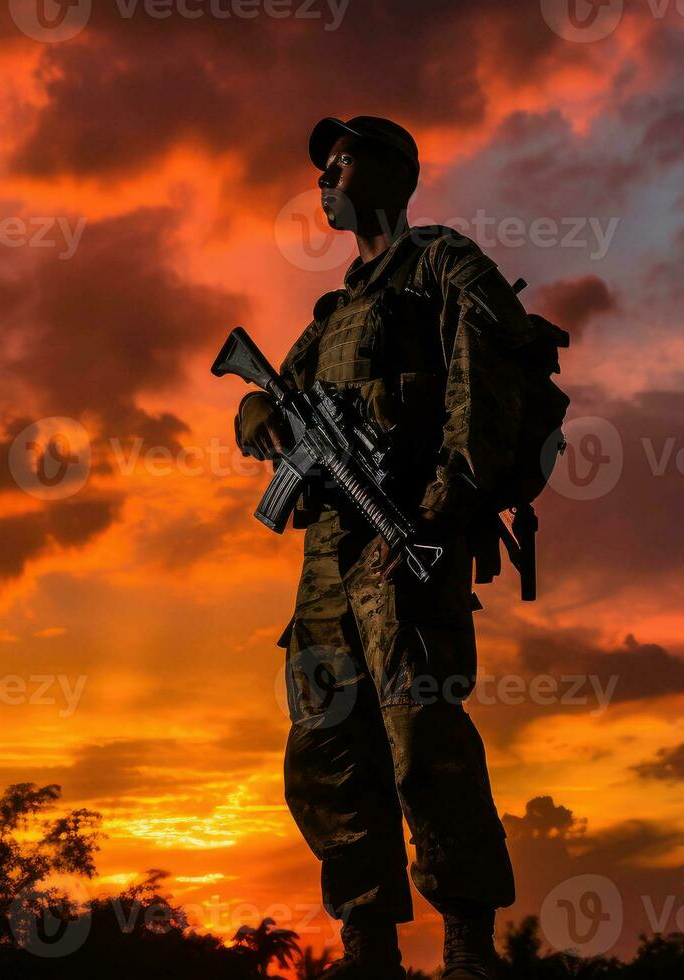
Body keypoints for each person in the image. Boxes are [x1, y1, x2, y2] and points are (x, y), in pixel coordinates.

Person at [235, 115, 536, 979]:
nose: (325, 180)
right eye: (322, 169)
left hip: (408, 533)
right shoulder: (333, 311)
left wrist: (446, 505)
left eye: (340, 162)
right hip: (328, 554)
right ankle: (367, 941)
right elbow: (277, 395)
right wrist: (255, 412)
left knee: (423, 735)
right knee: (327, 745)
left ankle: (468, 943)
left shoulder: (442, 262)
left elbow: (486, 376)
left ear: (393, 170)